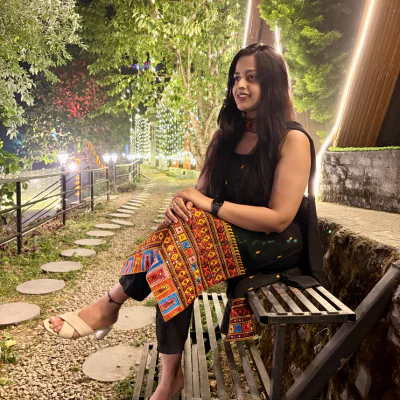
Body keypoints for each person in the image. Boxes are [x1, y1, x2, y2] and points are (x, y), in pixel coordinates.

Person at [44, 43, 325, 400]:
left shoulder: (292, 139)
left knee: (183, 247)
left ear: (273, 83)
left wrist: (207, 204)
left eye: (252, 78)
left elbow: (279, 218)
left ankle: (112, 308)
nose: (240, 85)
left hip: (276, 243)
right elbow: (199, 195)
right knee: (178, 243)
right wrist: (181, 204)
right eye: (236, 78)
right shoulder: (226, 135)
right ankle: (166, 376)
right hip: (232, 233)